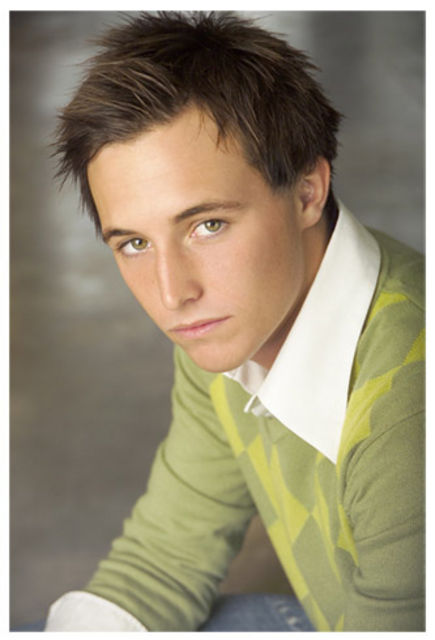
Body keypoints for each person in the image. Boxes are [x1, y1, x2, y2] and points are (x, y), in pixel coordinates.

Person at [44, 11, 424, 632]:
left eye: (208, 225)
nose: (173, 294)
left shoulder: (410, 411)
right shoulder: (228, 327)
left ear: (307, 191)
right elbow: (161, 565)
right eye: (134, 243)